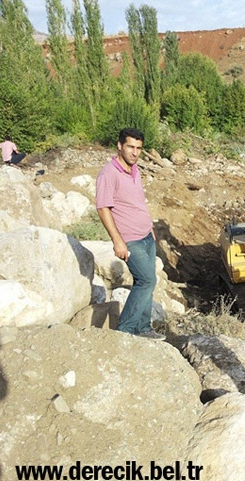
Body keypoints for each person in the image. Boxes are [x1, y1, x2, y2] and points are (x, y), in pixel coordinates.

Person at [95, 128, 164, 340]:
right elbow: (102, 207)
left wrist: (150, 229)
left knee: (145, 283)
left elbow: (137, 203)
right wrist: (118, 241)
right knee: (147, 281)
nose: (135, 152)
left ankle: (143, 329)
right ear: (120, 146)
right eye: (130, 147)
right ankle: (124, 331)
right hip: (129, 239)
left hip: (146, 236)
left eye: (139, 148)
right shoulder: (109, 173)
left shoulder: (135, 170)